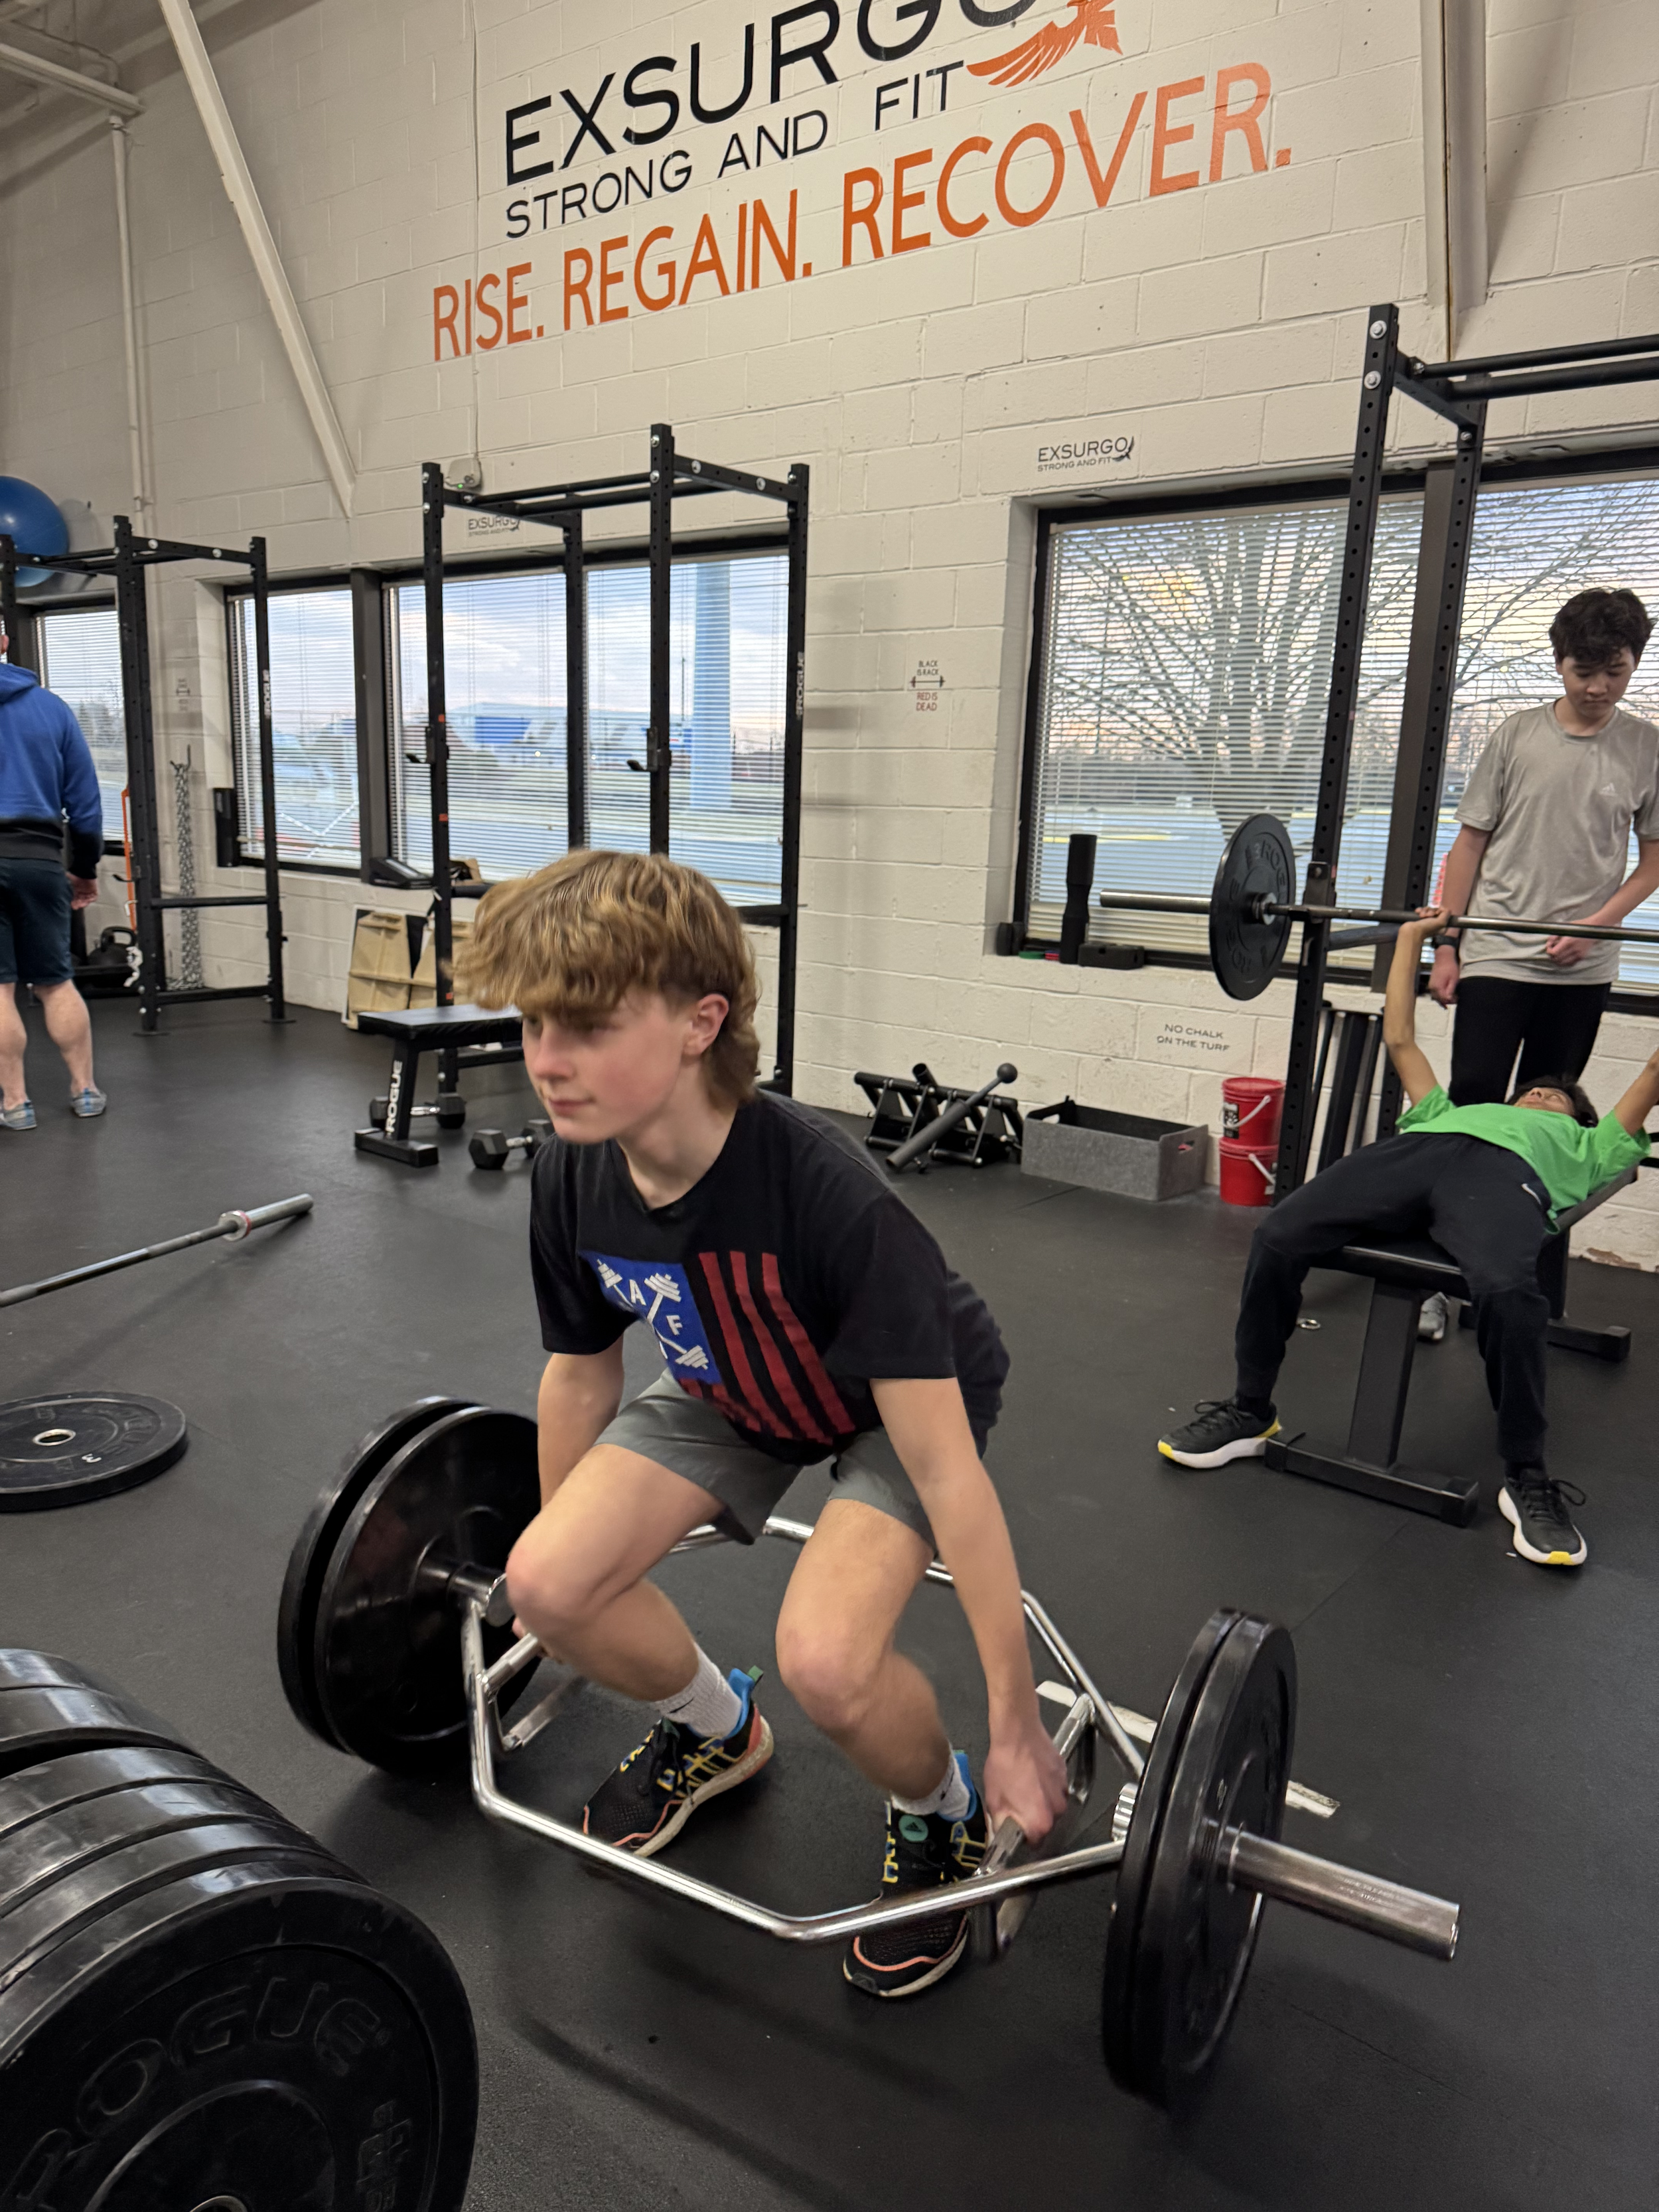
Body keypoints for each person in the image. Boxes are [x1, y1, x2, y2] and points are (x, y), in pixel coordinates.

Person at [455, 849, 1068, 2000]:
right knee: (546, 1580)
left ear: (702, 1022)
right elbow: (580, 1374)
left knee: (828, 1659)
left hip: (886, 1397)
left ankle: (935, 1810)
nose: (545, 1059)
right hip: (729, 1372)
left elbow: (944, 1467)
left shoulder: (830, 1200)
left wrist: (1014, 1714)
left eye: (585, 1023)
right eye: (536, 1021)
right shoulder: (570, 1173)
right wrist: (563, 1582)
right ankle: (716, 1729)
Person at [1158, 905, 1659, 1570]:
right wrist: (1412, 940)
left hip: (1503, 1180)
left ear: (1577, 1118)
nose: (1541, 1095)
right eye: (1533, 1092)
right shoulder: (1454, 1107)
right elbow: (1400, 1037)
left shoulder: (1590, 1144)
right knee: (1278, 1232)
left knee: (1509, 1292)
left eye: (1556, 1097)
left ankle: (1526, 1478)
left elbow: (1652, 1072)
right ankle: (1251, 1411)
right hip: (1414, 1154)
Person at [0, 620, 106, 1127]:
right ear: (2, 643)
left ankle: (16, 1103)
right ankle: (84, 1090)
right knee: (55, 982)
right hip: (39, 859)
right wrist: (83, 869)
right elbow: (85, 805)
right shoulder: (50, 707)